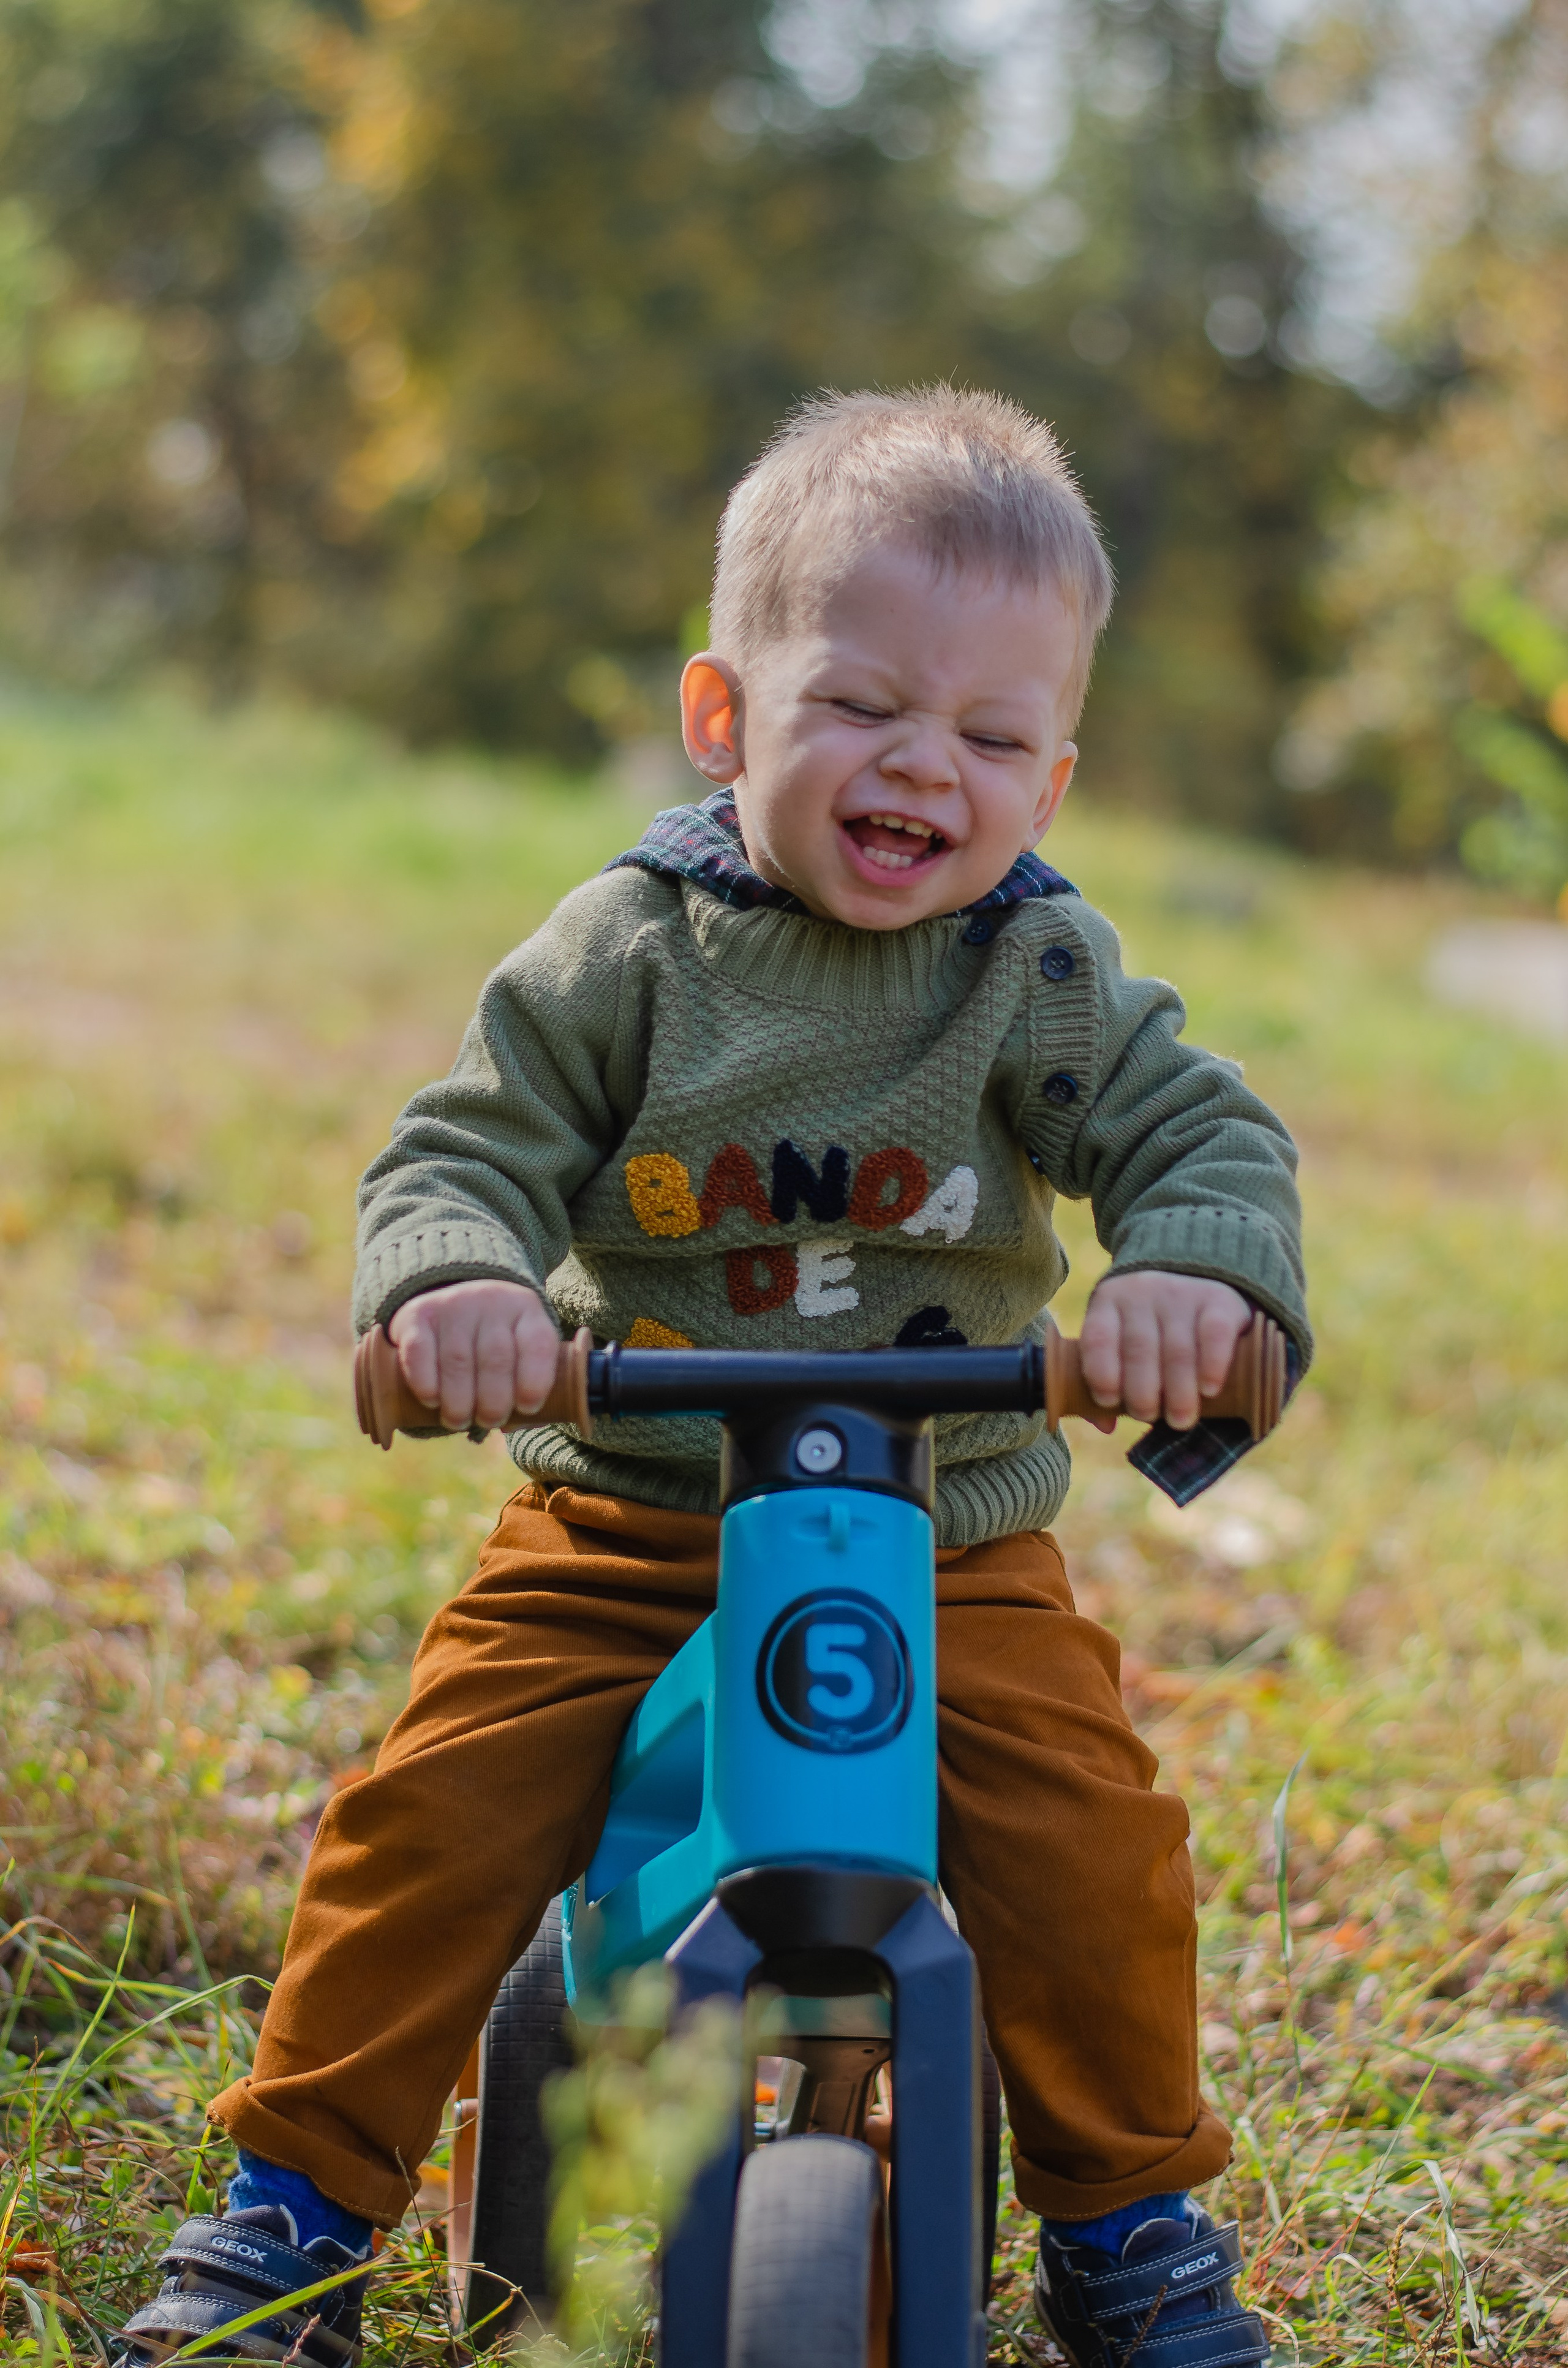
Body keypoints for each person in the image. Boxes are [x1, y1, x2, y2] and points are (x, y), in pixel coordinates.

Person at [116, 386, 1308, 2368]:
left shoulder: (1043, 973)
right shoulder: (628, 955)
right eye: (860, 705)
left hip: (947, 1547)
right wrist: (458, 1285)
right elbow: (459, 1150)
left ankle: (1134, 2233)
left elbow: (1204, 1138)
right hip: (631, 1511)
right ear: (725, 712)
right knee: (432, 1815)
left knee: (1092, 1850)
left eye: (994, 738)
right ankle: (294, 2214)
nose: (924, 764)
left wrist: (1194, 1266)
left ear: (1056, 774)